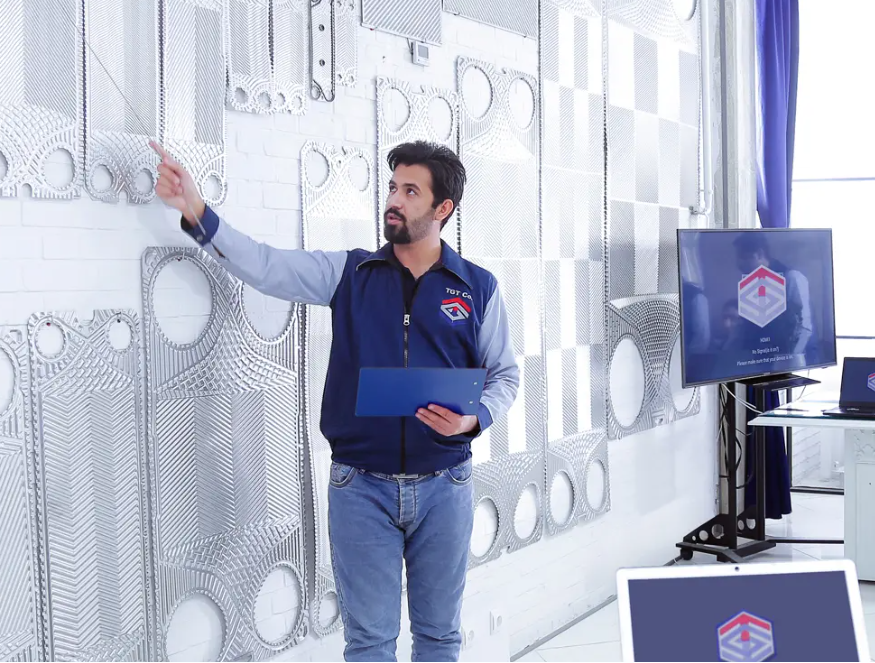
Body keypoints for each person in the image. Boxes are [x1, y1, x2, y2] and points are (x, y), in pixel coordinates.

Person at [152, 139, 520, 662]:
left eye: (410, 192)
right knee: (369, 643)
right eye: (392, 188)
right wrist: (198, 211)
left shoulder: (478, 287)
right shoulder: (350, 273)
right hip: (360, 490)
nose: (393, 200)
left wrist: (473, 419)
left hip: (446, 487)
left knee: (439, 637)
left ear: (443, 209)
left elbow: (504, 375)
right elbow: (265, 266)